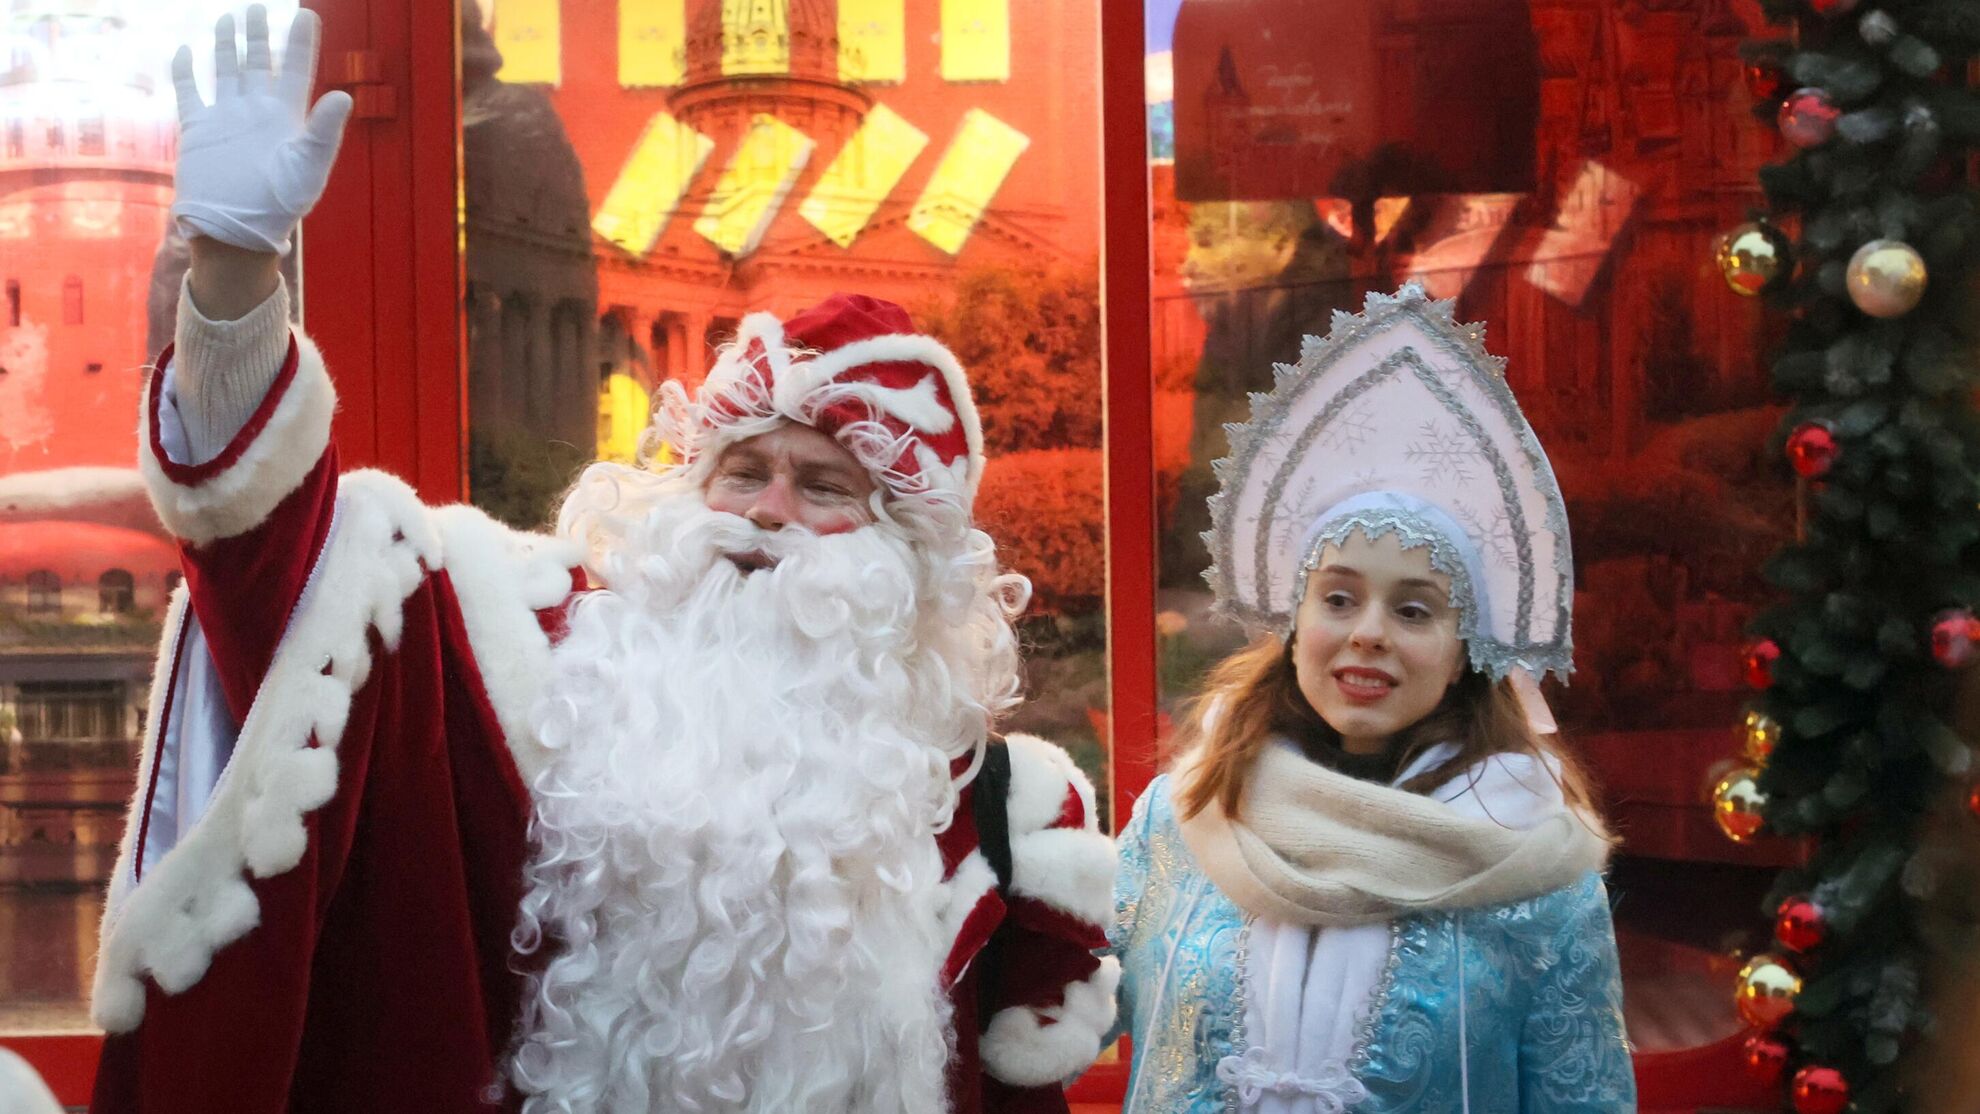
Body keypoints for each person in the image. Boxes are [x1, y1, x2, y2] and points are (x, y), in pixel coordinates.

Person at [88, 9, 1117, 1113]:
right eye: (739, 470)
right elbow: (289, 593)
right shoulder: (531, 670)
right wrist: (236, 277)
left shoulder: (998, 812)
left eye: (822, 487)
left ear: (903, 555)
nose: (763, 513)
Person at [1108, 285, 1637, 1112]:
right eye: (1340, 598)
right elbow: (1051, 1018)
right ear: (1294, 619)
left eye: (1415, 610)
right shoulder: (1180, 818)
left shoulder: (1535, 863)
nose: (1369, 635)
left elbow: (1587, 1100)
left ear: (1468, 650)